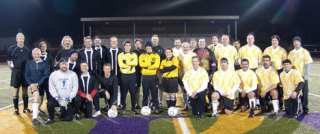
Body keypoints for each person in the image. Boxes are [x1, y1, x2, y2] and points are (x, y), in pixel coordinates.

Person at [45, 58, 78, 124]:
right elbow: (51, 88)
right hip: (57, 98)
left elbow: (75, 88)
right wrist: (58, 98)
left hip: (68, 99)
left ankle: (64, 110)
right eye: (62, 64)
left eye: (65, 64)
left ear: (68, 65)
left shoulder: (73, 74)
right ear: (59, 65)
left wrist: (69, 98)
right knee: (50, 104)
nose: (64, 66)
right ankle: (51, 118)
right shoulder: (54, 74)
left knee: (68, 119)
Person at [7, 32, 32, 115]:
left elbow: (30, 61)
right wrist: (13, 69)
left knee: (25, 90)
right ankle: (16, 109)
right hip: (16, 72)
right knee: (16, 90)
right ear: (16, 39)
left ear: (24, 39)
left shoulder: (28, 50)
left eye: (22, 38)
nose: (21, 40)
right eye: (20, 38)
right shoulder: (11, 49)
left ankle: (25, 108)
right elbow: (9, 60)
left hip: (25, 72)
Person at [288, 36, 313, 114]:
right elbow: (289, 64)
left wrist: (305, 75)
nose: (296, 43)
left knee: (304, 92)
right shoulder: (291, 52)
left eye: (297, 41)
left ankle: (305, 108)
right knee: (295, 92)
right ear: (293, 43)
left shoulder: (304, 51)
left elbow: (308, 64)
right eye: (294, 41)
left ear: (300, 42)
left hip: (302, 76)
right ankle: (296, 108)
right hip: (293, 77)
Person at [24, 48, 49, 125]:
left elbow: (46, 75)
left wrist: (38, 83)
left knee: (40, 101)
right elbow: (26, 75)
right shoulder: (29, 63)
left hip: (41, 84)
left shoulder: (45, 63)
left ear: (40, 54)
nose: (36, 55)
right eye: (35, 54)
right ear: (32, 55)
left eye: (38, 53)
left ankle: (36, 110)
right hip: (33, 85)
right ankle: (34, 118)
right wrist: (31, 84)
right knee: (36, 96)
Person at [263, 35, 287, 110]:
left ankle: (280, 103)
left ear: (278, 41)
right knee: (268, 85)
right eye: (273, 40)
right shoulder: (267, 49)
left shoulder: (282, 50)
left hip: (279, 70)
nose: (274, 42)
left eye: (276, 40)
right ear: (271, 41)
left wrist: (283, 71)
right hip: (269, 71)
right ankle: (266, 102)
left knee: (280, 87)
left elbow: (284, 62)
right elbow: (263, 60)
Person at [118, 40, 139, 114]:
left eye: (129, 45)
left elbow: (135, 63)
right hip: (124, 76)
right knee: (123, 92)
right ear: (124, 46)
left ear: (130, 46)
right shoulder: (120, 55)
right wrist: (130, 63)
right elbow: (121, 65)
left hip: (132, 76)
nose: (127, 47)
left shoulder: (134, 55)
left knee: (133, 92)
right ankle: (123, 107)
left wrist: (126, 62)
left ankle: (133, 108)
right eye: (126, 45)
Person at [139, 42, 161, 114]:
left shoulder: (156, 55)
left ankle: (156, 107)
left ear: (152, 47)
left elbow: (157, 65)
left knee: (154, 93)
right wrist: (150, 64)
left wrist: (146, 66)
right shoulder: (142, 56)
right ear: (145, 48)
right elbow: (141, 64)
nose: (148, 48)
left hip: (153, 77)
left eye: (149, 47)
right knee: (145, 93)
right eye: (147, 47)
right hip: (145, 77)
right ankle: (144, 107)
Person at [177, 42, 197, 110]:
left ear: (189, 47)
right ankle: (186, 103)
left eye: (187, 47)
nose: (185, 48)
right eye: (184, 47)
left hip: (192, 75)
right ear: (182, 47)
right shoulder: (179, 55)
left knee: (191, 90)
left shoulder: (193, 54)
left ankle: (192, 103)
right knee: (184, 90)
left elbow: (196, 64)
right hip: (182, 75)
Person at [106, 36, 123, 107]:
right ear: (110, 42)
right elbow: (105, 62)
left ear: (117, 42)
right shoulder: (106, 51)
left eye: (115, 41)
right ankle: (108, 104)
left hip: (119, 74)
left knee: (118, 89)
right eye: (112, 41)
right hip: (109, 75)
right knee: (108, 90)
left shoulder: (121, 51)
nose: (114, 42)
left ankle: (118, 104)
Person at [132, 38, 146, 109]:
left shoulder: (144, 51)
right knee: (136, 88)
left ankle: (146, 103)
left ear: (141, 44)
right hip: (136, 73)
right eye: (136, 44)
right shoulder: (132, 52)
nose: (138, 45)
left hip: (144, 72)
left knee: (146, 88)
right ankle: (137, 104)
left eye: (139, 44)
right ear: (134, 45)